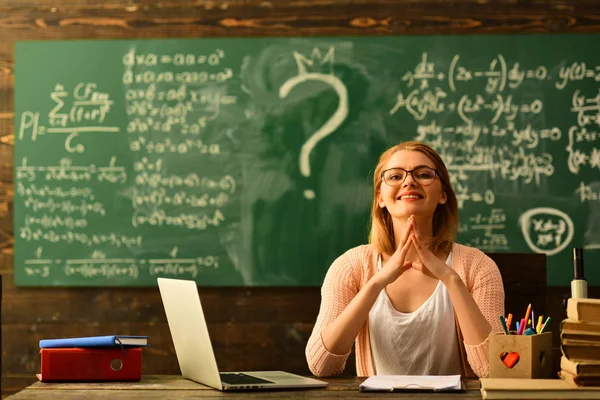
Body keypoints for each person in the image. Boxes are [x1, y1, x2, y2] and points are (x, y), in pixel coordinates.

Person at [305, 141, 504, 378]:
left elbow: (496, 369)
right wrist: (376, 283)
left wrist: (451, 279)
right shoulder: (350, 266)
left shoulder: (478, 266)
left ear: (442, 195)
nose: (409, 181)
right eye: (395, 176)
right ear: (380, 197)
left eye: (423, 174)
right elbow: (321, 365)